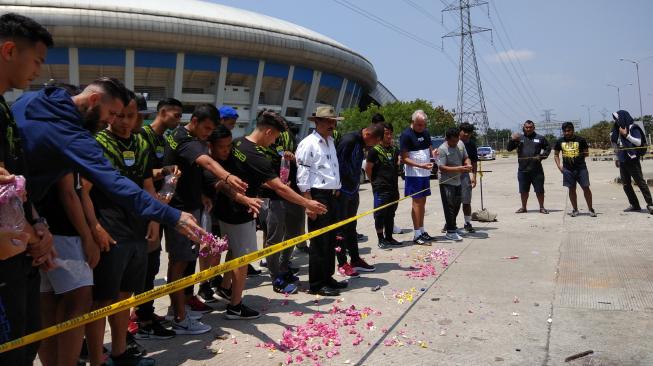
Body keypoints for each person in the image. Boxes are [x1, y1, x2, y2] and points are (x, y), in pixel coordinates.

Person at [215, 110, 326, 316]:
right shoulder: (257, 156)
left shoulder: (238, 143)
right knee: (243, 258)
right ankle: (235, 306)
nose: (275, 140)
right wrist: (306, 203)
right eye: (275, 136)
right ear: (267, 132)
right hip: (241, 210)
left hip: (226, 205)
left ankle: (225, 286)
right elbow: (280, 188)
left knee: (233, 252)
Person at [81, 91, 163, 366]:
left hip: (136, 230)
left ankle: (119, 352)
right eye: (120, 115)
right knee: (101, 300)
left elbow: (147, 185)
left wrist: (153, 219)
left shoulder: (141, 143)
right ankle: (96, 359)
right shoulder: (97, 143)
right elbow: (85, 191)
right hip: (109, 231)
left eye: (132, 116)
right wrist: (95, 228)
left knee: (125, 297)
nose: (125, 122)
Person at [0, 13, 56, 365]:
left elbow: (15, 181)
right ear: (9, 50)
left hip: (19, 253)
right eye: (36, 60)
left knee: (26, 340)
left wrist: (37, 225)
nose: (37, 71)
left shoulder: (5, 110)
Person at [162, 104, 247, 334]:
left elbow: (189, 172)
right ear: (195, 120)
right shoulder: (186, 140)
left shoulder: (182, 135)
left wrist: (200, 195)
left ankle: (180, 307)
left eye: (212, 129)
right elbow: (206, 163)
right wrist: (228, 176)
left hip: (190, 206)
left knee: (186, 262)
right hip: (180, 211)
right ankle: (179, 317)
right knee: (179, 263)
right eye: (206, 128)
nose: (208, 134)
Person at [133, 97, 183, 339]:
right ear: (162, 112)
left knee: (152, 266)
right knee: (143, 267)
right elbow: (142, 174)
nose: (178, 120)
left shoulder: (162, 140)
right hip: (143, 209)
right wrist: (164, 171)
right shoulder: (142, 135)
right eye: (176, 115)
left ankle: (144, 311)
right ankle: (142, 319)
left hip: (156, 204)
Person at [296, 106, 347, 296]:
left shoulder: (331, 141)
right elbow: (303, 172)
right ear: (317, 122)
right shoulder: (308, 143)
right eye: (327, 121)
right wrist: (308, 201)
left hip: (333, 194)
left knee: (331, 238)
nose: (332, 125)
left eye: (333, 121)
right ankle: (317, 283)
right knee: (319, 240)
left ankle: (328, 277)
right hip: (318, 195)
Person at [257, 118, 306, 294]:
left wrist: (293, 160)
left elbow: (301, 166)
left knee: (294, 233)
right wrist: (275, 186)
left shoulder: (289, 139)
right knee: (274, 238)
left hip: (292, 194)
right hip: (272, 197)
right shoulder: (260, 147)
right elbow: (256, 176)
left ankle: (284, 267)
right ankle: (275, 276)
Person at [335, 123, 383, 276]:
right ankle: (342, 263)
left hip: (353, 190)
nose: (373, 146)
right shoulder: (348, 141)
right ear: (368, 135)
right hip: (342, 191)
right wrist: (338, 187)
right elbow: (338, 165)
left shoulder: (361, 143)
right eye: (374, 142)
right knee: (340, 229)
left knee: (351, 227)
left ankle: (355, 259)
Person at [399, 110, 435, 245]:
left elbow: (430, 148)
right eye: (419, 125)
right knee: (417, 202)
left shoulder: (426, 132)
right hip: (414, 174)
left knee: (423, 202)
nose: (421, 128)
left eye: (423, 125)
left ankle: (422, 229)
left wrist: (434, 153)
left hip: (425, 173)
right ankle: (416, 234)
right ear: (413, 122)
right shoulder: (406, 135)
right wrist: (420, 165)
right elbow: (405, 158)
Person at [365, 122, 402, 249]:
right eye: (387, 133)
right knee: (380, 214)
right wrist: (373, 183)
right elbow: (368, 169)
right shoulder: (374, 151)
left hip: (393, 188)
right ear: (381, 135)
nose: (389, 136)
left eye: (391, 133)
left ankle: (389, 237)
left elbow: (397, 165)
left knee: (391, 213)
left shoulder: (394, 149)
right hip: (381, 188)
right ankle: (381, 239)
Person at [610, 110, 653, 214]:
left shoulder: (632, 127)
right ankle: (635, 205)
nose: (616, 121)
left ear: (623, 117)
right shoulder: (617, 129)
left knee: (640, 182)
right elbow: (616, 144)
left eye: (617, 118)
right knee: (626, 184)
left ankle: (650, 204)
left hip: (632, 159)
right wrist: (616, 158)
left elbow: (638, 142)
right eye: (615, 119)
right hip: (622, 159)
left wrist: (626, 135)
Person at [507, 120, 551, 214]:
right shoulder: (519, 138)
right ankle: (523, 208)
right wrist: (512, 139)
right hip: (523, 170)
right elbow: (509, 149)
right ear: (524, 127)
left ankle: (542, 207)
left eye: (530, 127)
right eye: (527, 127)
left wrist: (542, 156)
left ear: (534, 128)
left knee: (539, 190)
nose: (528, 129)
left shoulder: (540, 138)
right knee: (523, 190)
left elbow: (548, 148)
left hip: (537, 170)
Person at [554, 122, 596, 217]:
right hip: (568, 170)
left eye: (568, 131)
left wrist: (576, 156)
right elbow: (556, 154)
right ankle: (575, 210)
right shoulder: (560, 141)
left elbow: (586, 153)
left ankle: (591, 209)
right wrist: (559, 166)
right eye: (564, 131)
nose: (566, 133)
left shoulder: (581, 140)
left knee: (586, 188)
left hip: (581, 169)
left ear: (573, 130)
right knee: (571, 189)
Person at [437, 128, 472, 242]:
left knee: (457, 205)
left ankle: (454, 227)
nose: (455, 143)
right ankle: (450, 231)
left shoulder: (460, 144)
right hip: (446, 181)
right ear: (447, 139)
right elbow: (442, 167)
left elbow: (466, 157)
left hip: (458, 180)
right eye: (453, 141)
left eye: (457, 141)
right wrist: (459, 168)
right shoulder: (442, 149)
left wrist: (468, 164)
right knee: (449, 207)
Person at [458, 123, 478, 233]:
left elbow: (474, 162)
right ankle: (450, 223)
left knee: (466, 201)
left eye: (469, 132)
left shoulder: (471, 145)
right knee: (452, 202)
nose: (466, 134)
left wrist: (474, 176)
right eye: (464, 131)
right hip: (452, 175)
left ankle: (467, 222)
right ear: (459, 131)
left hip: (465, 175)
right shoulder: (452, 143)